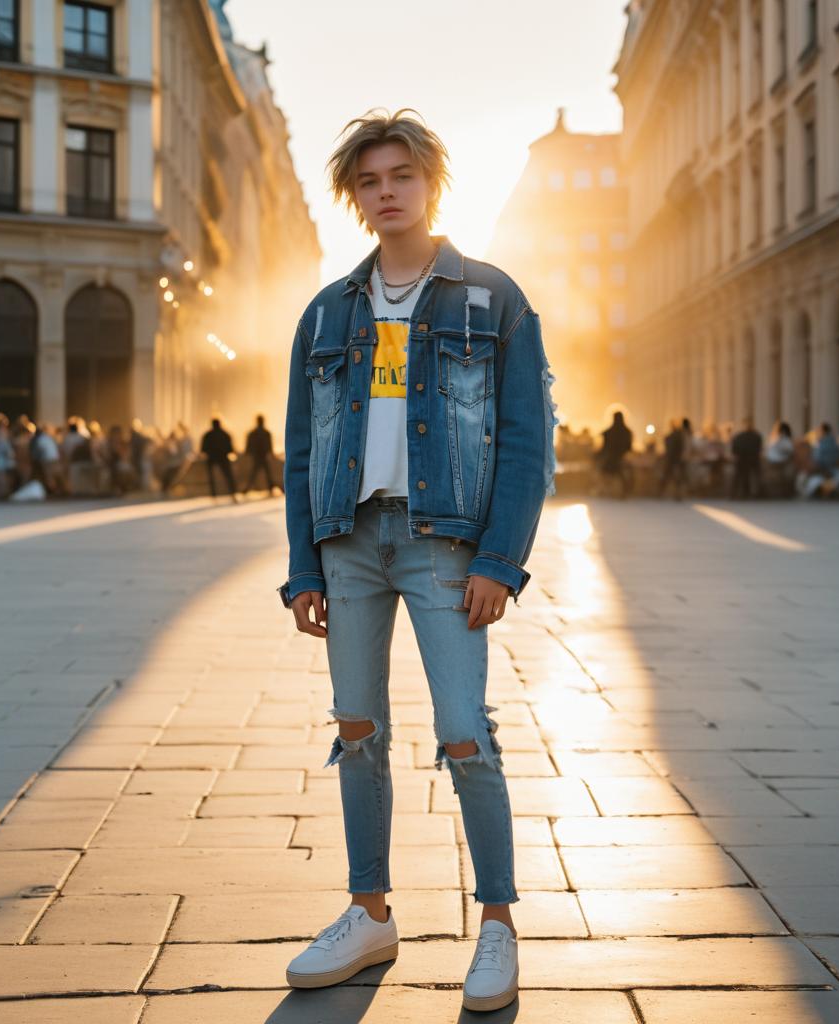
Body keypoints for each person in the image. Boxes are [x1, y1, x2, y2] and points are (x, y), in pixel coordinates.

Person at [278, 108, 556, 1012]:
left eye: (401, 175)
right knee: (356, 731)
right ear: (354, 197)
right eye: (370, 179)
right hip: (348, 543)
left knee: (464, 734)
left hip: (445, 545)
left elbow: (526, 442)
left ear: (431, 183)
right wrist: (305, 566)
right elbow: (298, 449)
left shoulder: (492, 298)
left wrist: (500, 560)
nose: (386, 191)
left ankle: (499, 925)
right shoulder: (327, 312)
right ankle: (371, 914)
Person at [241, 414, 281, 495]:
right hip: (261, 456)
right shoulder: (265, 433)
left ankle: (247, 489)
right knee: (265, 473)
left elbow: (249, 445)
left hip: (257, 457)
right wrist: (271, 454)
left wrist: (247, 454)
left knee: (256, 473)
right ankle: (272, 488)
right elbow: (269, 445)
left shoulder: (253, 433)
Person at [598, 410, 633, 498]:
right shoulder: (627, 432)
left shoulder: (609, 432)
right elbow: (629, 447)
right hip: (620, 458)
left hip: (612, 458)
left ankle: (605, 491)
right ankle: (622, 492)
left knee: (606, 473)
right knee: (620, 475)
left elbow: (604, 447)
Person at [200, 417, 237, 500]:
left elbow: (203, 449)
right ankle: (232, 493)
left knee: (211, 477)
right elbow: (230, 448)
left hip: (212, 457)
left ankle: (214, 495)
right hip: (223, 457)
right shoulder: (225, 434)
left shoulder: (208, 435)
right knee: (228, 476)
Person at [730, 417, 763, 498]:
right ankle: (738, 493)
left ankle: (753, 493)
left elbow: (759, 448)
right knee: (741, 476)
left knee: (747, 476)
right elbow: (734, 449)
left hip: (749, 459)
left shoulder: (755, 436)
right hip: (745, 459)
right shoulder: (740, 436)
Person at [764, 421, 795, 498]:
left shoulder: (774, 438)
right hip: (778, 462)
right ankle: (786, 493)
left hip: (771, 461)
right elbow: (790, 450)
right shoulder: (782, 439)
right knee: (787, 473)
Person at [659, 418, 686, 499]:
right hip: (673, 459)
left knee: (672, 477)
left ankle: (663, 493)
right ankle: (663, 493)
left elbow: (675, 447)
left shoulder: (676, 436)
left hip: (673, 459)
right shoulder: (676, 436)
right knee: (673, 477)